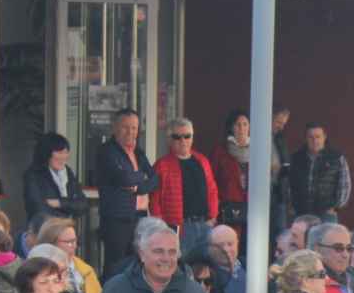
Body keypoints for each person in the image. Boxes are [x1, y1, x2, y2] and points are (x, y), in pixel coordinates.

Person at [96, 108, 157, 275]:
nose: (130, 132)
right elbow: (123, 178)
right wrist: (140, 177)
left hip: (140, 217)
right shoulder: (107, 152)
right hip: (117, 219)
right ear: (115, 128)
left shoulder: (138, 152)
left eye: (134, 128)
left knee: (138, 265)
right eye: (125, 127)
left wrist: (138, 186)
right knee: (115, 266)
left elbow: (154, 179)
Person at [148, 118, 219, 255]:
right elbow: (154, 200)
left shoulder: (202, 161)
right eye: (177, 137)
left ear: (192, 138)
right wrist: (162, 228)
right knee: (179, 267)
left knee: (207, 267)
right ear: (169, 140)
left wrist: (213, 216)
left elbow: (212, 189)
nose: (183, 141)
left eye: (187, 136)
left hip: (205, 224)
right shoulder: (161, 165)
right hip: (179, 228)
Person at [35, 217, 103, 293]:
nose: (74, 246)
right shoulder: (34, 271)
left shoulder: (87, 271)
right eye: (68, 242)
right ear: (50, 243)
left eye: (74, 241)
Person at [289, 122, 351, 221]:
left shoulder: (336, 157)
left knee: (326, 237)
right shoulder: (296, 158)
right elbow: (290, 184)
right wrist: (292, 205)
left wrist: (336, 206)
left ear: (324, 137)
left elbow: (345, 184)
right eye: (310, 137)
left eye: (318, 137)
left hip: (326, 213)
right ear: (306, 138)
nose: (314, 140)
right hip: (301, 212)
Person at [21, 132, 86, 224]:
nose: (63, 157)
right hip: (43, 232)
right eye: (59, 152)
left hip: (67, 231)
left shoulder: (68, 172)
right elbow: (38, 208)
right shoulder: (33, 175)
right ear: (47, 153)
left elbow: (82, 204)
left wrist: (59, 203)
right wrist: (67, 211)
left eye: (66, 152)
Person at [209, 110, 256, 236]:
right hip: (229, 206)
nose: (242, 128)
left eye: (245, 124)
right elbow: (211, 180)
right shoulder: (220, 151)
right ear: (231, 127)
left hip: (253, 206)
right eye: (238, 125)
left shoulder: (257, 149)